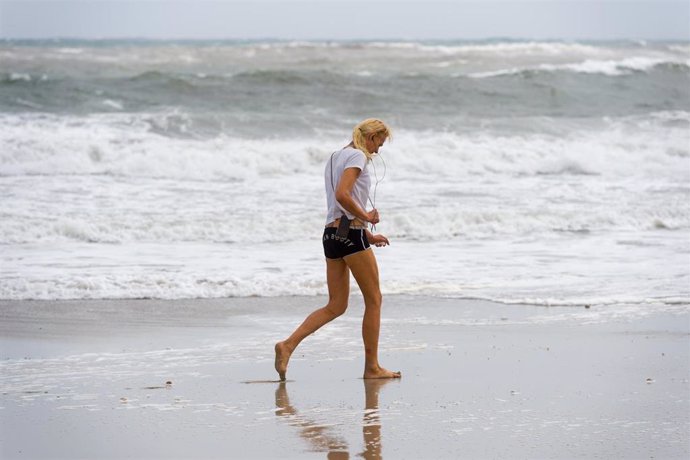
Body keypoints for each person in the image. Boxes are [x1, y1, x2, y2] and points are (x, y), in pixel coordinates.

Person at [274, 118, 401, 380]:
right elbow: (344, 195)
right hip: (350, 234)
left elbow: (337, 205)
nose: (378, 150)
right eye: (380, 143)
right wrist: (366, 217)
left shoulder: (335, 157)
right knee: (374, 299)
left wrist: (367, 233)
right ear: (372, 137)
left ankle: (288, 345)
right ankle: (372, 368)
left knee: (336, 305)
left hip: (332, 235)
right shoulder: (357, 156)